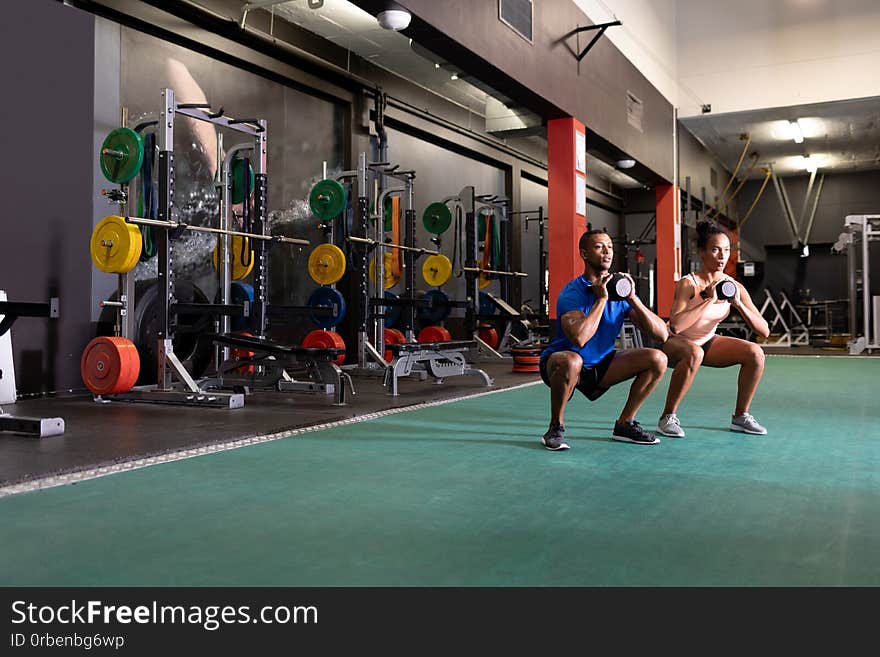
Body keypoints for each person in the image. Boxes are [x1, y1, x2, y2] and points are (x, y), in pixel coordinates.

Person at [539, 229, 669, 450]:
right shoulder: (572, 293)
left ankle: (625, 424)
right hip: (562, 364)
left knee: (658, 358)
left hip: (602, 364)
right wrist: (601, 300)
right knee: (572, 360)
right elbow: (580, 339)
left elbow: (662, 334)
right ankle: (555, 427)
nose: (607, 251)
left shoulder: (621, 292)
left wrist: (632, 298)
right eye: (599, 246)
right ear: (584, 254)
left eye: (610, 246)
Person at [656, 221, 770, 438]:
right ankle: (667, 417)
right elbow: (676, 326)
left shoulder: (733, 285)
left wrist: (738, 304)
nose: (722, 256)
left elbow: (763, 330)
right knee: (694, 352)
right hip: (674, 344)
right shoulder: (689, 284)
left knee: (755, 352)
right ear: (702, 252)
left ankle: (741, 416)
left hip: (707, 342)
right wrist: (708, 299)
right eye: (715, 249)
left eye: (726, 250)